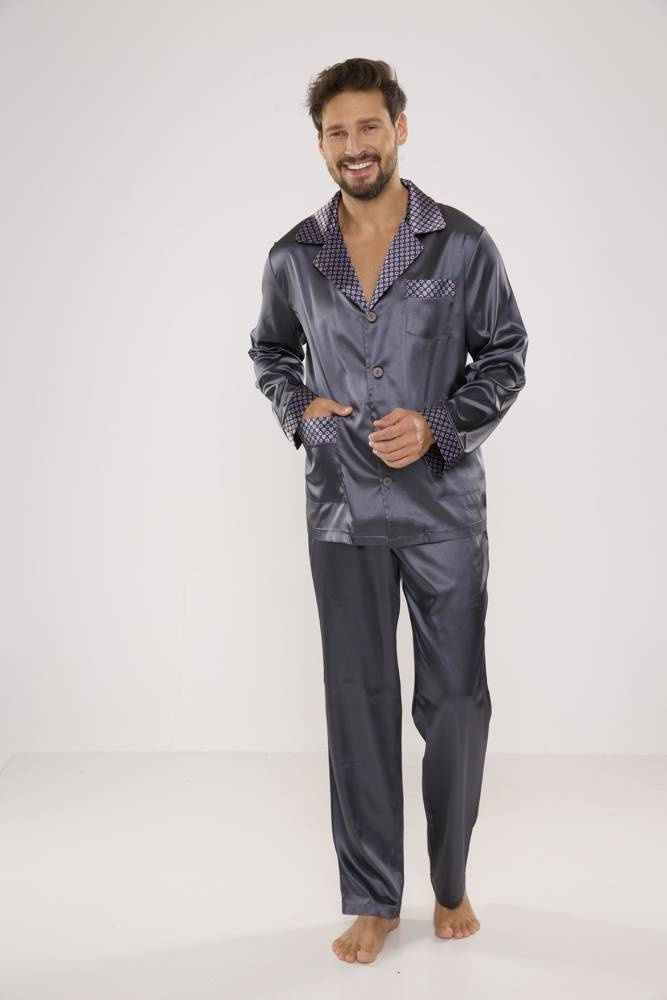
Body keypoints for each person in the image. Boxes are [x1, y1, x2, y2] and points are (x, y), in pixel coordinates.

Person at [248, 57, 528, 964]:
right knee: (357, 700)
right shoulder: (294, 256)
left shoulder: (461, 245)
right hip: (342, 511)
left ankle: (449, 881)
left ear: (398, 129)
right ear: (320, 144)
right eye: (336, 132)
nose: (354, 146)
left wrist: (439, 424)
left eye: (368, 127)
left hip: (442, 508)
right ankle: (372, 897)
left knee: (455, 704)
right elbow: (269, 353)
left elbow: (506, 354)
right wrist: (303, 410)